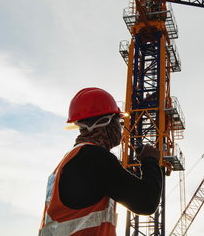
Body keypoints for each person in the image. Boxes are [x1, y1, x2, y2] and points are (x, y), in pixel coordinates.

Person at [39, 87, 163, 235]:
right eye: (119, 122)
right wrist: (150, 161)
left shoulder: (71, 160)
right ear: (106, 122)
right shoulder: (95, 158)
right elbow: (146, 202)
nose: (121, 129)